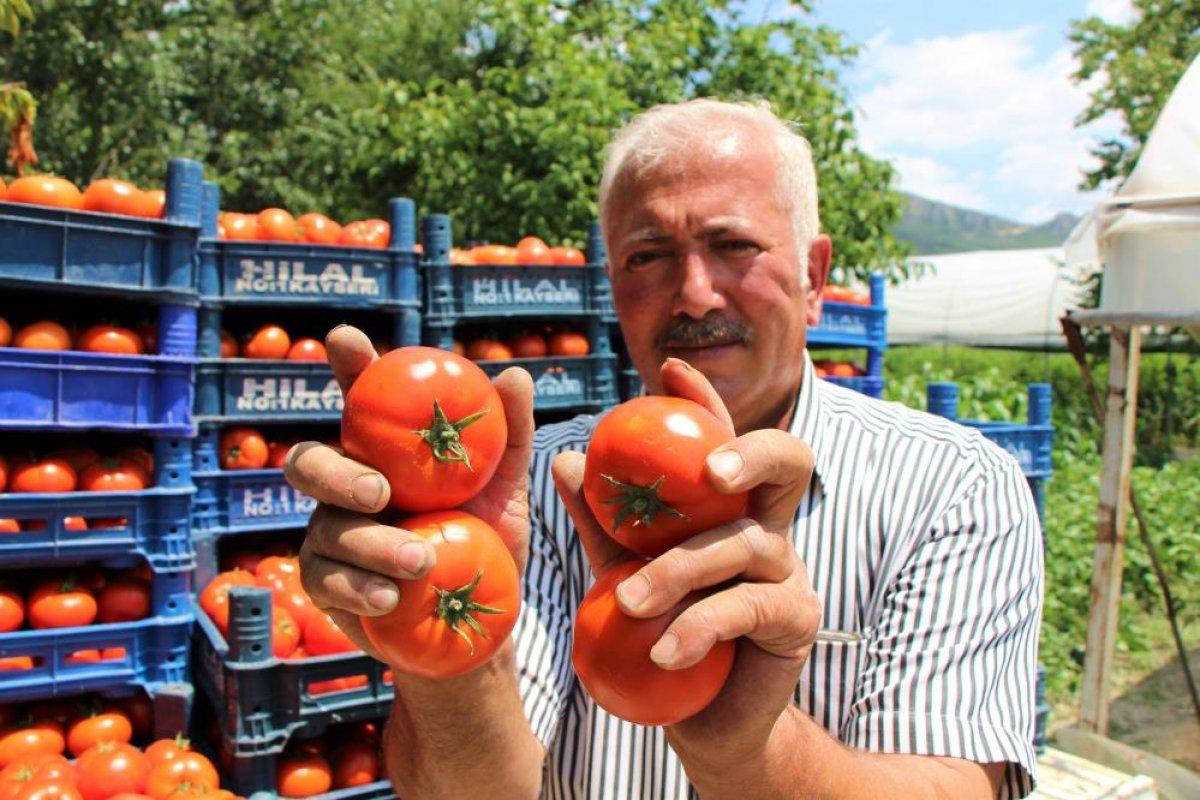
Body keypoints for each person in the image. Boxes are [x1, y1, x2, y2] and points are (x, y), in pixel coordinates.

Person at [284, 99, 1043, 799]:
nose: (694, 294)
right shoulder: (545, 490)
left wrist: (750, 751)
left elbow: (954, 784)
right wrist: (450, 658)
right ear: (613, 285)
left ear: (814, 277)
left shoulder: (953, 487)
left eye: (733, 245)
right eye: (647, 256)